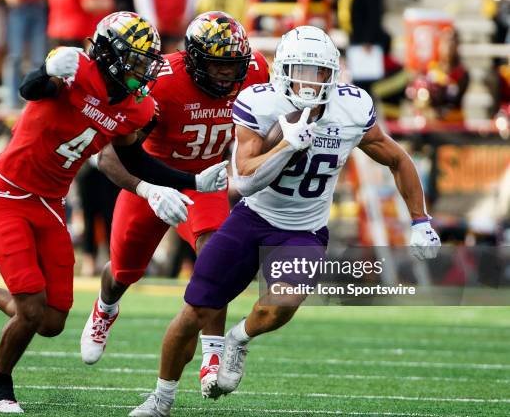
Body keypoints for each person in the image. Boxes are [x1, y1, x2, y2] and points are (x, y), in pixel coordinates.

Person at [129, 26, 442, 416]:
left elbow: (396, 158)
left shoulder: (352, 108)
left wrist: (419, 220)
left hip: (305, 227)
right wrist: (287, 144)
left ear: (334, 75)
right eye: (300, 71)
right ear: (282, 71)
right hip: (254, 218)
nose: (308, 83)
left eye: (319, 73)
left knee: (282, 303)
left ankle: (237, 339)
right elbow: (244, 178)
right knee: (194, 311)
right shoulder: (259, 103)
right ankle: (161, 398)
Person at [0, 11, 227, 412]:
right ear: (111, 55)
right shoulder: (76, 69)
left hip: (50, 202)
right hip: (8, 194)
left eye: (147, 60)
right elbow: (30, 89)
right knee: (31, 307)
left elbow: (139, 160)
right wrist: (45, 69)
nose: (144, 69)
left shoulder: (136, 108)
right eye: (136, 59)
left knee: (52, 320)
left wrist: (194, 182)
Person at [79, 11, 269, 397]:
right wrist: (148, 189)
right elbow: (111, 157)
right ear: (196, 59)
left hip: (207, 181)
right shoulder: (162, 81)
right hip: (152, 179)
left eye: (232, 66)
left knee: (216, 254)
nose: (225, 75)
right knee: (123, 270)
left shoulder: (255, 71)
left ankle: (212, 353)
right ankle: (105, 308)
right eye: (216, 65)